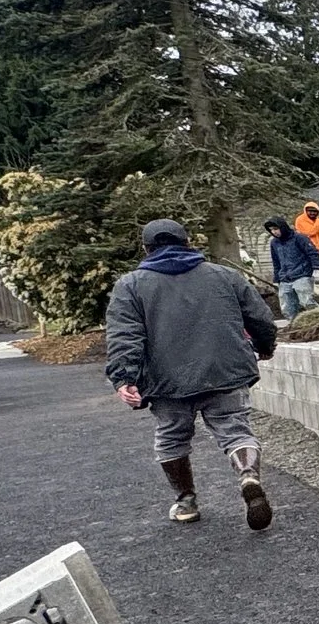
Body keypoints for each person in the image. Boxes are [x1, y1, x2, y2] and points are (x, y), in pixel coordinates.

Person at [105, 219, 279, 529]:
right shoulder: (224, 275)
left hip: (165, 380)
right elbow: (260, 317)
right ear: (188, 243)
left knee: (172, 437)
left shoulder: (130, 285)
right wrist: (265, 346)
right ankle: (248, 476)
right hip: (224, 371)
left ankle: (186, 501)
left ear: (146, 249)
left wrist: (124, 377)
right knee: (235, 429)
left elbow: (125, 336)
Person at [264, 216, 319, 319]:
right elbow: (276, 262)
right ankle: (293, 326)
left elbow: (312, 253)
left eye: (276, 229)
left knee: (307, 302)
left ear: (282, 227)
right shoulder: (274, 243)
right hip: (285, 278)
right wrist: (276, 278)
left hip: (302, 274)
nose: (274, 232)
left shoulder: (299, 238)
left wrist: (316, 268)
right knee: (287, 307)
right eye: (271, 230)